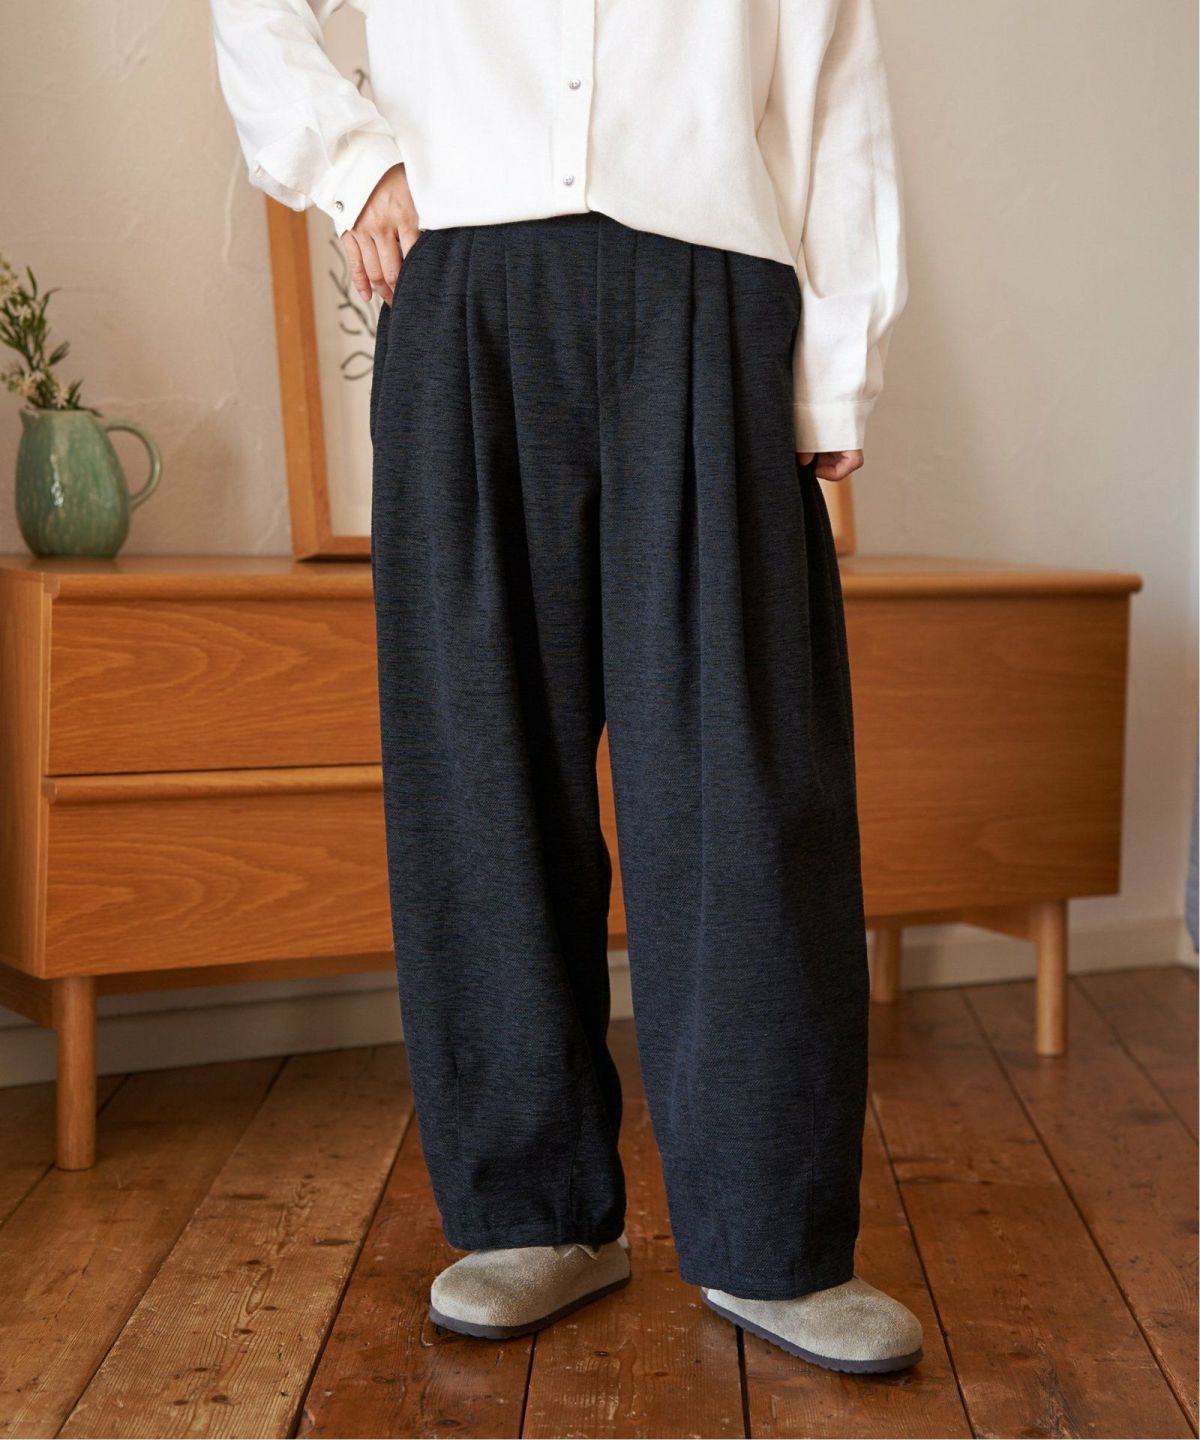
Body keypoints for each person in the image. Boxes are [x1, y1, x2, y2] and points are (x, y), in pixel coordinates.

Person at [210, 0, 919, 1374]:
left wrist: (838, 365)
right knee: (482, 776)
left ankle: (774, 1238)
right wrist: (350, 160)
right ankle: (531, 1214)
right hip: (466, 295)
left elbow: (834, 75)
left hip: (713, 295)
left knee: (743, 788)